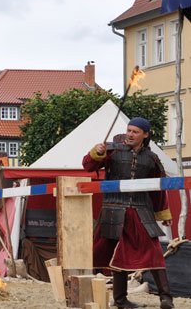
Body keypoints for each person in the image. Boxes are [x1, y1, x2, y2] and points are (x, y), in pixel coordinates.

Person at [82, 117, 174, 309]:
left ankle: (166, 299)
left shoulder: (152, 159)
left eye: (135, 132)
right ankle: (121, 300)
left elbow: (158, 188)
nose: (131, 134)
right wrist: (96, 153)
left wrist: (163, 214)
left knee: (155, 253)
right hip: (113, 211)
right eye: (129, 130)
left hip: (141, 212)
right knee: (117, 255)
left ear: (145, 135)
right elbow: (88, 165)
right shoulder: (111, 150)